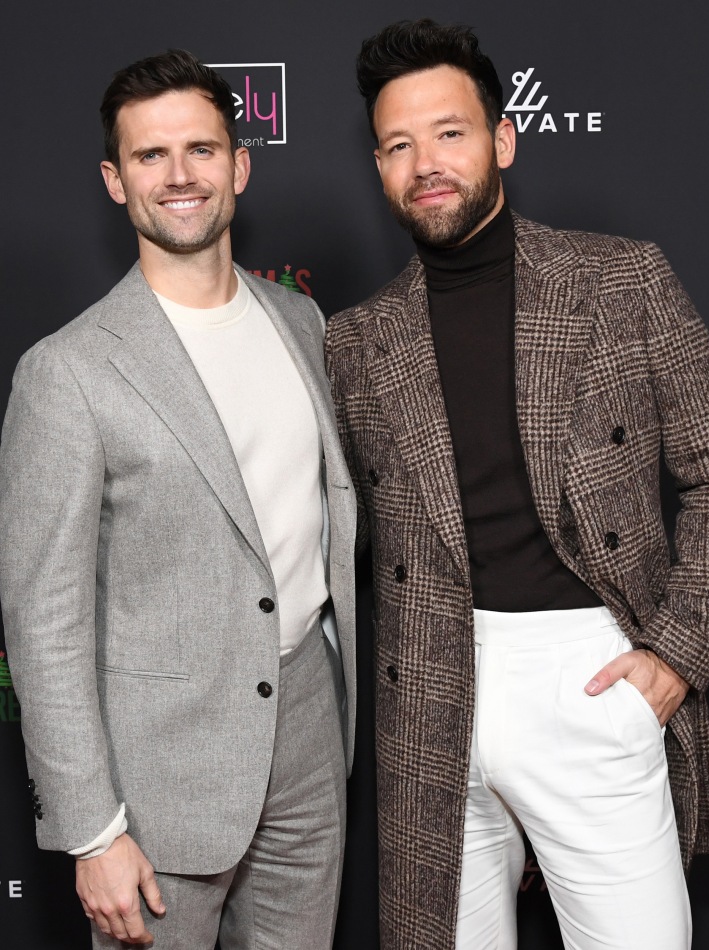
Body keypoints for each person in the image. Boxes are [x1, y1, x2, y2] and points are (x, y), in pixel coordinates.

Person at [325, 18, 709, 950]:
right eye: (399, 146)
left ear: (502, 139)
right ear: (379, 166)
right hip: (429, 688)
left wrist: (677, 654)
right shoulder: (357, 340)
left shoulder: (621, 279)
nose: (425, 163)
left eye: (449, 133)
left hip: (590, 678)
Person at [0, 49, 356, 949]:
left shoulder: (300, 322)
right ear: (116, 183)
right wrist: (92, 830)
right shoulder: (67, 372)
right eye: (151, 157)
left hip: (311, 737)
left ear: (239, 164)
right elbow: (43, 618)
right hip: (157, 775)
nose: (180, 175)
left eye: (200, 149)